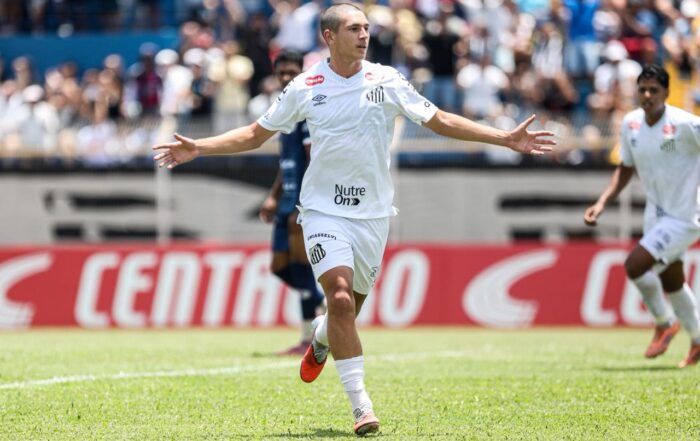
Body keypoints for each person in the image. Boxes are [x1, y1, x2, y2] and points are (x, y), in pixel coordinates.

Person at [153, 3, 555, 435]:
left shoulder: (387, 80)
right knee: (341, 299)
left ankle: (322, 336)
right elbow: (255, 134)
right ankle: (362, 406)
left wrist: (504, 138)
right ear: (329, 37)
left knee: (346, 312)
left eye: (365, 28)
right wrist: (200, 147)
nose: (364, 35)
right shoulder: (305, 86)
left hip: (373, 216)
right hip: (323, 211)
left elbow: (439, 120)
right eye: (353, 29)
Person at [584, 64, 700, 368]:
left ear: (667, 92)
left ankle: (664, 322)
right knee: (673, 281)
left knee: (634, 264)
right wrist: (602, 202)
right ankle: (698, 340)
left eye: (654, 90)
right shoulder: (631, 123)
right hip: (656, 215)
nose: (647, 95)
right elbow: (625, 167)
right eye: (643, 90)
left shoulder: (686, 124)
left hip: (685, 215)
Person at [258, 50, 325, 356]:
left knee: (300, 266)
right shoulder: (284, 109)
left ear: (301, 73)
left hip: (301, 203)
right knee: (280, 267)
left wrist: (304, 202)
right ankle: (322, 303)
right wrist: (274, 196)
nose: (286, 77)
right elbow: (287, 162)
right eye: (281, 72)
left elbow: (313, 158)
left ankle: (309, 338)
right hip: (286, 200)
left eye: (292, 72)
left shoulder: (307, 109)